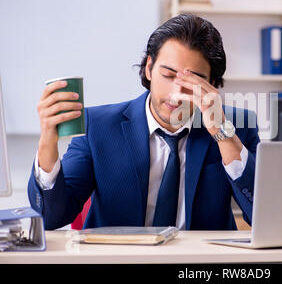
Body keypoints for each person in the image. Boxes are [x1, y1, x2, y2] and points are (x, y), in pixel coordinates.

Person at [27, 13, 260, 230]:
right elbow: (52, 216)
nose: (175, 94)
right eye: (168, 75)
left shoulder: (237, 128)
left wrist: (222, 134)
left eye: (193, 83)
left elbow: (260, 215)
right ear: (149, 68)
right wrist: (47, 140)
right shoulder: (97, 127)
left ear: (212, 84)